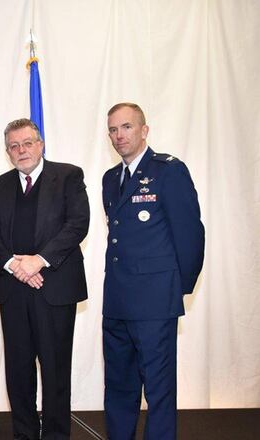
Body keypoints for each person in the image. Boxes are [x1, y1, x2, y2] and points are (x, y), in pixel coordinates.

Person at [102, 102, 204, 440]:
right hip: (117, 301)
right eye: (113, 129)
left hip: (154, 303)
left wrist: (176, 289)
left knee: (159, 392)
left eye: (127, 127)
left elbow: (189, 235)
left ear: (144, 130)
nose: (119, 135)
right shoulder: (109, 179)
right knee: (118, 387)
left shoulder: (168, 171)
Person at [0, 118, 90, 439]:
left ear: (40, 144)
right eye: (14, 146)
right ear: (7, 152)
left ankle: (57, 435)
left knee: (56, 370)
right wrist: (16, 266)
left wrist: (38, 262)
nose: (21, 150)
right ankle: (25, 434)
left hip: (55, 288)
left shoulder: (69, 176)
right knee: (18, 371)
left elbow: (78, 224)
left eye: (27, 143)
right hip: (14, 290)